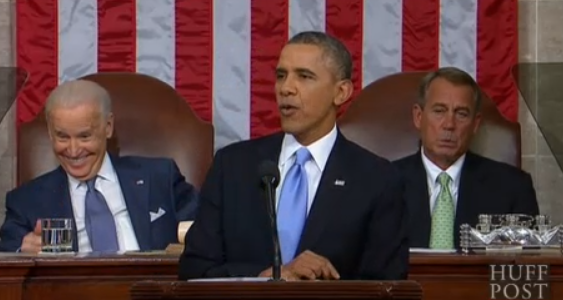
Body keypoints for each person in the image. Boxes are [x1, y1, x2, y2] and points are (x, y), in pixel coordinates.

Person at [178, 31, 408, 281]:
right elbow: (194, 270)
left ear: (341, 92)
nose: (286, 88)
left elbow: (387, 285)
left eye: (304, 76)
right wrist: (266, 276)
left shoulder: (377, 179)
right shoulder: (232, 166)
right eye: (281, 76)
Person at [0, 79, 198, 253]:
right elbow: (1, 266)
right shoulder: (28, 200)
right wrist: (22, 251)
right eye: (62, 137)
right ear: (50, 132)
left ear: (107, 127)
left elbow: (208, 232)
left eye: (84, 136)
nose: (73, 151)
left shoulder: (159, 177)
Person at [393, 67, 540, 249]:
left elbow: (526, 267)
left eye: (461, 114)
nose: (449, 125)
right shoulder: (384, 182)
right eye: (439, 111)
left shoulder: (513, 188)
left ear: (475, 124)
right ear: (418, 117)